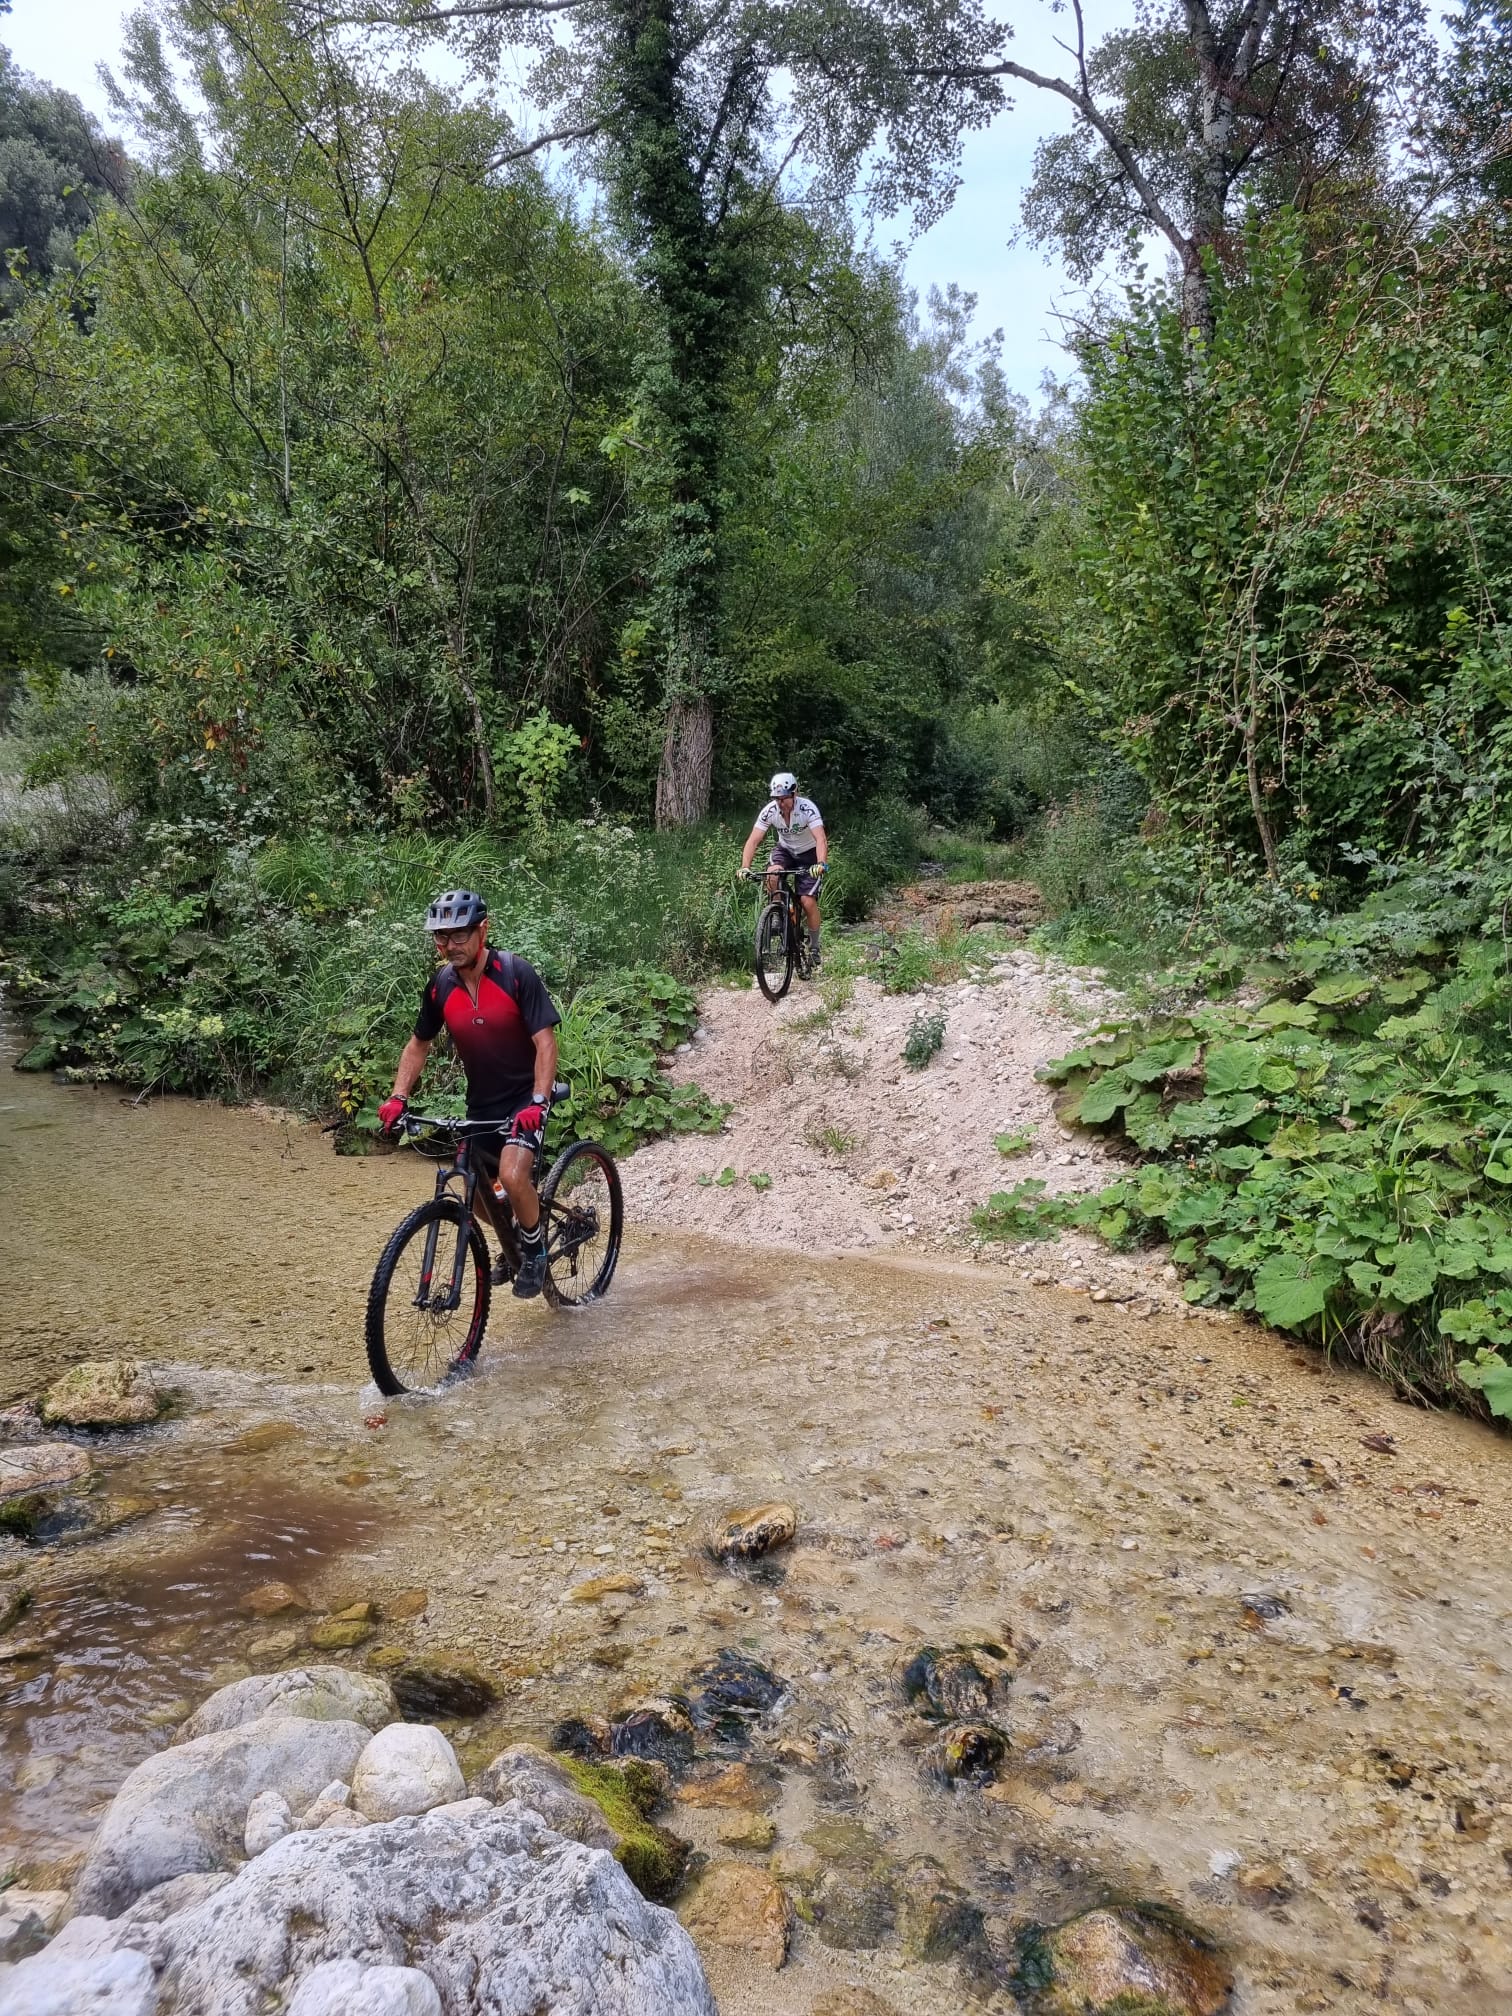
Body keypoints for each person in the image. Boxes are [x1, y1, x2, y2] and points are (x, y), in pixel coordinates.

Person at [378, 890, 561, 1299]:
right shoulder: (440, 986)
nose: (448, 946)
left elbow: (546, 1044)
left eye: (458, 935)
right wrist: (398, 1096)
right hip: (482, 1103)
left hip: (523, 1101)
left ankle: (534, 1253)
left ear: (483, 930)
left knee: (513, 1176)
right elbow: (418, 1045)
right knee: (478, 1192)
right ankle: (511, 1237)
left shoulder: (516, 973)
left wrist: (537, 1101)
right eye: (440, 937)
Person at [741, 770, 828, 972]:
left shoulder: (807, 809)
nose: (781, 803)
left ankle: (814, 946)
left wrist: (821, 863)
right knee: (772, 874)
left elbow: (821, 839)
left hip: (809, 854)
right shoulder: (770, 811)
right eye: (777, 799)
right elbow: (753, 840)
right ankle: (779, 912)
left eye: (784, 799)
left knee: (807, 900)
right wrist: (745, 866)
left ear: (794, 794)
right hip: (786, 851)